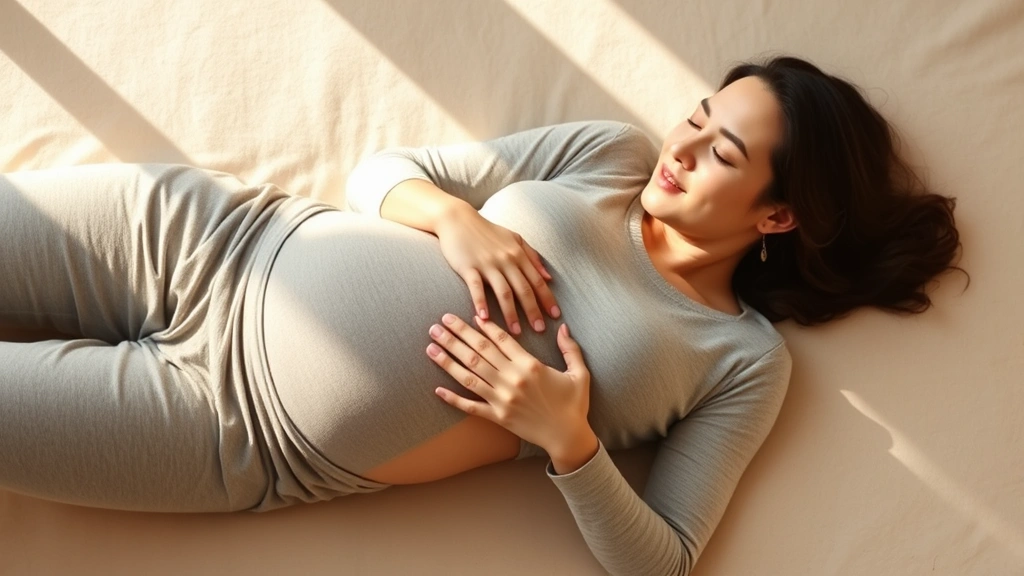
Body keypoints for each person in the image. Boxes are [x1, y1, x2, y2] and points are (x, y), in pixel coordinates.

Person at [0, 55, 964, 575]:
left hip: (233, 431)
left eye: (723, 154)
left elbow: (663, 560)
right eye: (701, 116)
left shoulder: (742, 360)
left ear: (778, 214)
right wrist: (456, 222)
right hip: (205, 235)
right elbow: (384, 173)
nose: (686, 146)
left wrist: (568, 441)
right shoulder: (611, 157)